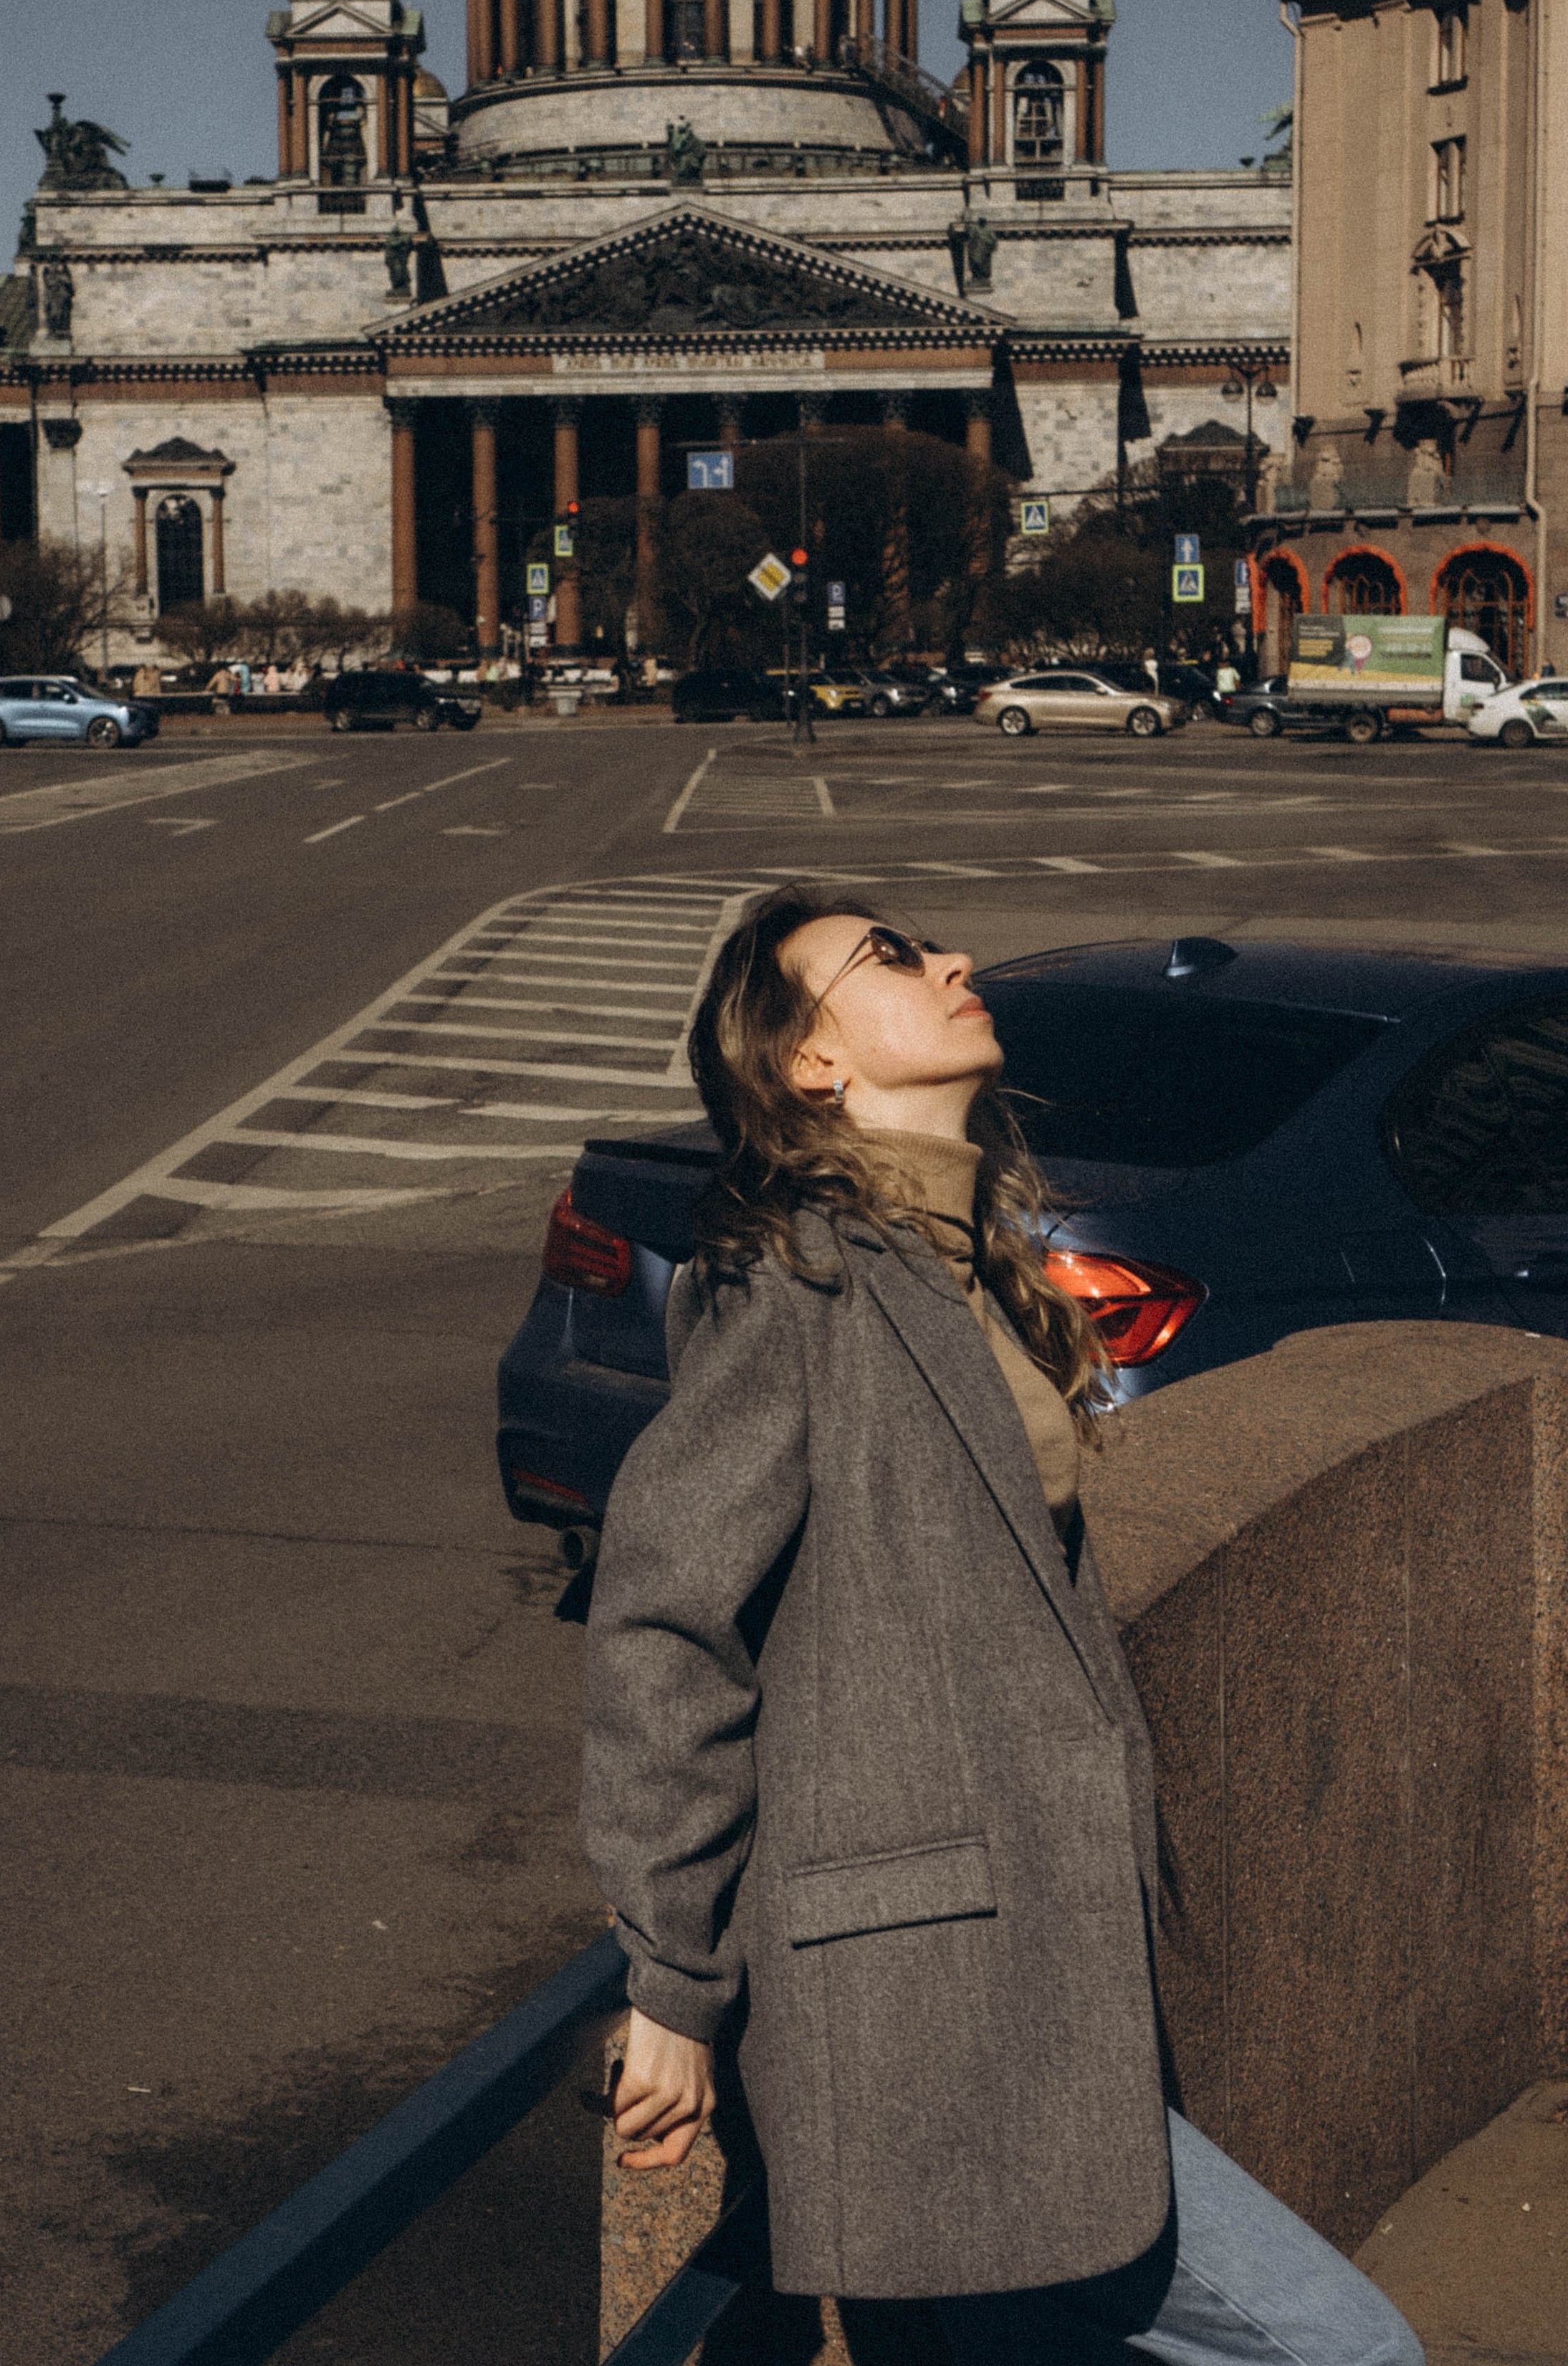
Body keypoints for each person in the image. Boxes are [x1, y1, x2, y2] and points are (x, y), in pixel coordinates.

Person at [582, 885, 1423, 2365]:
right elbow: (665, 1620)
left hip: (1025, 1977)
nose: (953, 960)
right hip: (915, 2004)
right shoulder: (787, 1279)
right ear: (808, 1066)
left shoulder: (957, 1259)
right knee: (1341, 2346)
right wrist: (670, 1980)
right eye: (889, 959)